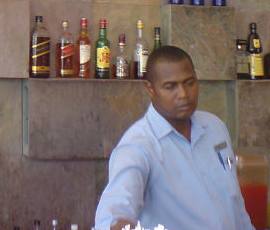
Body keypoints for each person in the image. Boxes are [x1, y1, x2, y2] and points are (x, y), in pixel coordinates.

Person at [94, 45, 254, 230]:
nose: (183, 94)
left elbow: (235, 204)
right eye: (170, 86)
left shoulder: (214, 127)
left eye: (189, 82)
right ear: (150, 89)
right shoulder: (138, 147)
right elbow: (113, 217)